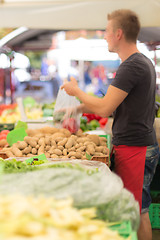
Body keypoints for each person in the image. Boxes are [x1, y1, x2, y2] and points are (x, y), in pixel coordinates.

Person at [61, 9, 156, 240]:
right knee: (136, 207)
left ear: (119, 34)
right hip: (136, 144)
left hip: (135, 147)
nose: (104, 36)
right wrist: (78, 107)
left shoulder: (132, 66)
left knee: (136, 210)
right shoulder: (139, 62)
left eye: (106, 32)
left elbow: (104, 109)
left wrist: (76, 92)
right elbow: (111, 103)